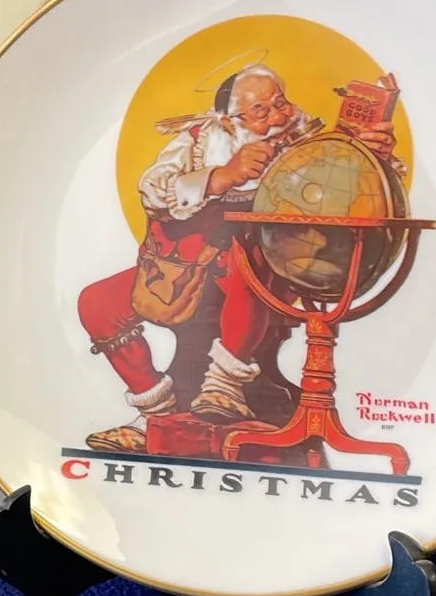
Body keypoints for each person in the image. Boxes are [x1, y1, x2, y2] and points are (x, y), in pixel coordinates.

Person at [77, 64, 398, 451]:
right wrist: (220, 177)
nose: (277, 116)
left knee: (247, 263)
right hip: (181, 272)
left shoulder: (310, 144)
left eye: (280, 103)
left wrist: (371, 157)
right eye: (261, 111)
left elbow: (355, 196)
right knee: (97, 304)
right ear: (230, 121)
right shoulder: (198, 142)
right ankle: (158, 415)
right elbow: (152, 190)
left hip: (265, 274)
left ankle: (224, 386)